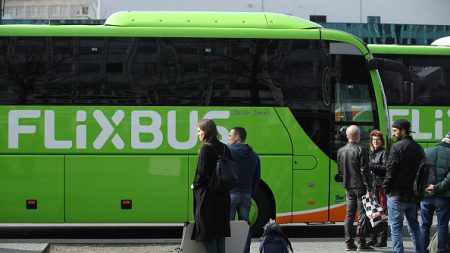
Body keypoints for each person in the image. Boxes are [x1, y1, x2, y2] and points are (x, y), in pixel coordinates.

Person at [382, 119, 424, 253]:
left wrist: (386, 189)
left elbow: (390, 171)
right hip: (412, 196)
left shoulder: (397, 147)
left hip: (396, 195)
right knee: (415, 227)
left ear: (403, 131)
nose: (394, 134)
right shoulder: (418, 148)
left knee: (396, 228)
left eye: (395, 131)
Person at [192, 119, 232, 253]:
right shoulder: (225, 147)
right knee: (220, 234)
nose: (197, 134)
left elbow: (201, 174)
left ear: (206, 131)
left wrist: (194, 185)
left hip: (208, 197)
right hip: (223, 196)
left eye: (199, 131)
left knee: (208, 232)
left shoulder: (205, 149)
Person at [337, 125, 373, 251]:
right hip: (361, 187)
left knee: (349, 216)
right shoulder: (361, 150)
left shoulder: (340, 151)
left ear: (347, 136)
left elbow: (340, 172)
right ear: (358, 136)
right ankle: (361, 244)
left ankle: (348, 243)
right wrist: (369, 188)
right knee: (362, 215)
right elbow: (364, 171)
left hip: (348, 188)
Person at [227, 127, 261, 253]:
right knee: (244, 226)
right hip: (246, 195)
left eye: (230, 136)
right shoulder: (254, 155)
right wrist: (249, 191)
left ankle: (229, 250)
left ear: (237, 137)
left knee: (228, 225)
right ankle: (245, 250)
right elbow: (257, 178)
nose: (228, 139)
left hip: (231, 193)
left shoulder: (228, 152)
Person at [420, 131, 450, 253]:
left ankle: (422, 249)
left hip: (426, 196)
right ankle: (441, 250)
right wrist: (437, 188)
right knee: (442, 225)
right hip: (443, 197)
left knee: (424, 225)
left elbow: (420, 174)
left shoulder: (427, 152)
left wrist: (427, 187)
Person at [366, 130, 389, 248]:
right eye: (373, 140)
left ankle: (382, 239)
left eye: (377, 140)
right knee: (373, 213)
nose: (375, 142)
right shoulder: (370, 153)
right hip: (372, 186)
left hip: (381, 187)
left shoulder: (384, 153)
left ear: (381, 141)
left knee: (382, 213)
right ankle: (373, 238)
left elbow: (385, 168)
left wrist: (371, 166)